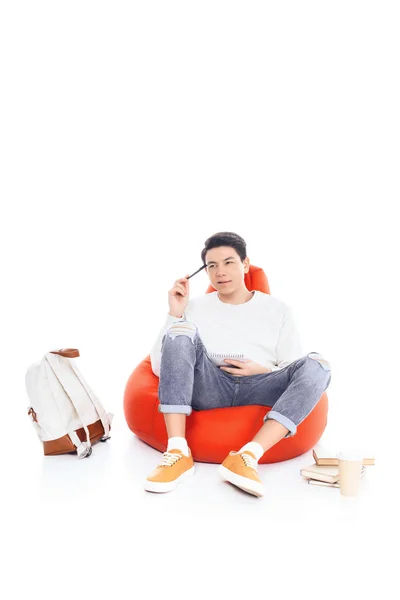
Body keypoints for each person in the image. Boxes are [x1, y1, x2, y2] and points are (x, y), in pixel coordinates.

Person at [146, 232, 331, 497]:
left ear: (245, 264)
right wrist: (175, 314)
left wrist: (263, 370)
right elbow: (159, 367)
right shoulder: (193, 307)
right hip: (210, 386)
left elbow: (293, 365)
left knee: (319, 364)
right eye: (212, 266)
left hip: (261, 386)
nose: (220, 272)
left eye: (229, 262)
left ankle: (247, 456)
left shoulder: (278, 310)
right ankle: (177, 451)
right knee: (180, 330)